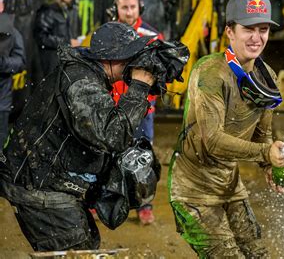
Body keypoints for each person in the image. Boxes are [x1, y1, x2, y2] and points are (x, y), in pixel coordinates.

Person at [0, 22, 166, 251]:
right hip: (37, 184)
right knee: (78, 250)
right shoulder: (81, 82)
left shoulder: (87, 73)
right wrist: (138, 87)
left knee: (86, 242)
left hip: (46, 177)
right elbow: (113, 135)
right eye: (130, 57)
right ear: (112, 57)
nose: (133, 64)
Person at [168, 0, 284, 257]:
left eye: (263, 29)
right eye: (248, 29)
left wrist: (269, 162)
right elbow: (212, 140)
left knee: (258, 255)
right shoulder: (211, 72)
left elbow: (262, 134)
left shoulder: (266, 77)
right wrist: (263, 153)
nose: (257, 38)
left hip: (230, 186)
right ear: (229, 32)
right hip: (193, 191)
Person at [111, 0, 164, 224]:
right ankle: (104, 202)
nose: (129, 12)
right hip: (111, 107)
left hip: (143, 110)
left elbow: (159, 73)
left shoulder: (151, 36)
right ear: (117, 8)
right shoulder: (107, 33)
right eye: (125, 7)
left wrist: (147, 102)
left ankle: (144, 206)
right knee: (109, 155)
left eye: (132, 7)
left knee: (142, 158)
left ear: (139, 6)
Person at [33, 0, 82, 76]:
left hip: (64, 61)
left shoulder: (66, 10)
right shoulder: (48, 11)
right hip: (51, 63)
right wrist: (67, 42)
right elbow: (41, 37)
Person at [0, 0, 26, 152]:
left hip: (1, 101)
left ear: (2, 6)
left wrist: (3, 64)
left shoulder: (11, 31)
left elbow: (20, 61)